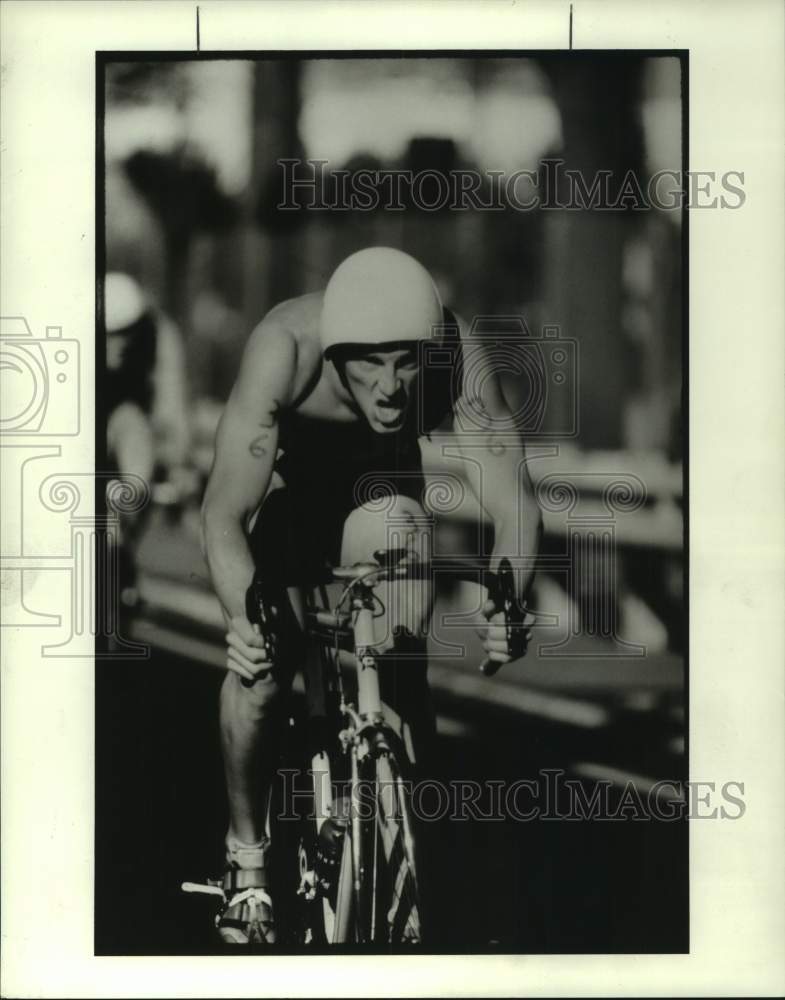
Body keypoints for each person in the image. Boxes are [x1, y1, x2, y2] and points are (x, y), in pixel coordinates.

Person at [200, 247, 542, 944]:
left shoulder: (456, 355)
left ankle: (403, 825)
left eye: (406, 362)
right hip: (294, 501)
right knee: (262, 670)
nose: (390, 388)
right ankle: (246, 860)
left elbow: (513, 505)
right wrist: (244, 618)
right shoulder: (283, 350)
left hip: (384, 502)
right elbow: (223, 514)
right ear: (331, 353)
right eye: (368, 362)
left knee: (399, 649)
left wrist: (507, 599)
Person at [105, 272, 191, 609]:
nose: (119, 345)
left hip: (132, 430)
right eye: (108, 336)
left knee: (132, 423)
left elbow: (172, 406)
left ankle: (120, 548)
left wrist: (177, 463)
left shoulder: (160, 334)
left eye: (126, 334)